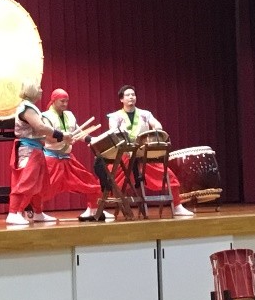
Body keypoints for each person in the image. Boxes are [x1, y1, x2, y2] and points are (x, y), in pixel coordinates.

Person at [108, 85, 194, 216]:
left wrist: (157, 129)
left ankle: (177, 206)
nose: (131, 97)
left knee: (168, 176)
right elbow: (113, 131)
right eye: (128, 95)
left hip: (144, 154)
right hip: (126, 154)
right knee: (109, 177)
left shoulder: (145, 114)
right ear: (121, 99)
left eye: (133, 94)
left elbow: (156, 124)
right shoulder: (115, 116)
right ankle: (99, 209)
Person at [7, 79, 74, 226]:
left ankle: (38, 212)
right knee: (25, 181)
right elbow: (40, 127)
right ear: (31, 90)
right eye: (38, 88)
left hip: (36, 149)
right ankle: (13, 213)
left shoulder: (31, 107)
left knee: (39, 184)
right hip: (28, 150)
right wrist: (61, 135)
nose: (41, 90)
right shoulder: (27, 108)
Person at [41, 89, 114, 220]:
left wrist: (92, 139)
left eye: (67, 101)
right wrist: (64, 138)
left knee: (90, 183)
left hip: (67, 158)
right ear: (53, 100)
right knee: (44, 187)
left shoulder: (69, 115)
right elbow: (47, 137)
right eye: (62, 101)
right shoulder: (45, 116)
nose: (65, 104)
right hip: (52, 158)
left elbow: (79, 132)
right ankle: (33, 212)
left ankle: (94, 209)